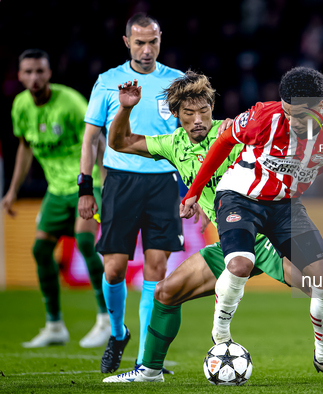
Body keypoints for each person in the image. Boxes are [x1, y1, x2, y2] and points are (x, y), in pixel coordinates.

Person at [99, 72, 323, 382]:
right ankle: (150, 371)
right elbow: (120, 143)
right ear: (176, 115)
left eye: (204, 110)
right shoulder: (171, 145)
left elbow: (268, 158)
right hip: (231, 237)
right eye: (189, 113)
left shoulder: (233, 130)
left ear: (212, 107)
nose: (198, 119)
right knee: (167, 292)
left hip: (263, 230)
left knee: (317, 280)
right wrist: (126, 108)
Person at [180, 67, 323, 383]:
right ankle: (221, 333)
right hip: (240, 196)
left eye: (301, 116)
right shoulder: (263, 116)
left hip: (285, 207)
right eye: (288, 113)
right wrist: (193, 192)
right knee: (240, 263)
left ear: (320, 107)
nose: (293, 122)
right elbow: (224, 142)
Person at [78, 13, 185, 373]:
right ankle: (118, 331)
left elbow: (189, 139)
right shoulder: (108, 82)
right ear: (127, 43)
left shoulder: (177, 82)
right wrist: (85, 186)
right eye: (139, 42)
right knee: (114, 269)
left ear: (160, 40)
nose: (146, 49)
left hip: (164, 182)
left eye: (152, 41)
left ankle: (143, 359)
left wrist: (194, 190)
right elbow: (92, 137)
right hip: (120, 181)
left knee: (156, 270)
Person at [2, 49, 109, 348]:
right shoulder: (21, 105)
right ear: (20, 76)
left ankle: (107, 320)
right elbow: (24, 147)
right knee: (40, 250)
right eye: (28, 72)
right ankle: (54, 325)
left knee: (86, 242)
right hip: (55, 189)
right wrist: (12, 191)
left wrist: (104, 185)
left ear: (49, 73)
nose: (34, 78)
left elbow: (97, 141)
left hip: (86, 183)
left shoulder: (71, 103)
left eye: (40, 71)